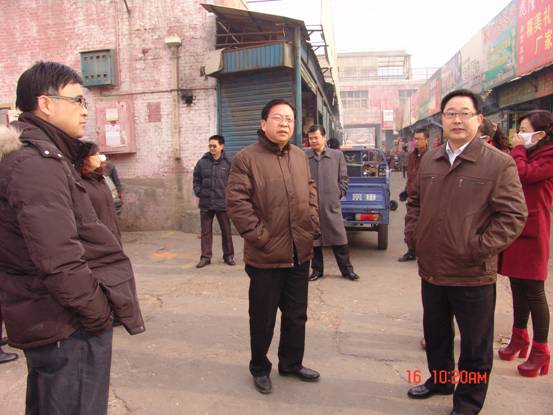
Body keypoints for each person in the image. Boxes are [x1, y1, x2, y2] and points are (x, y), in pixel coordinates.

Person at [0, 61, 145, 415]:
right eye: (77, 100)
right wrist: (96, 312)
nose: (84, 110)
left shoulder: (45, 157)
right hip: (65, 324)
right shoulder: (36, 163)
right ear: (45, 103)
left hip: (54, 318)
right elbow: (58, 258)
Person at [404, 89, 527, 415]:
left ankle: (468, 403)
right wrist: (414, 237)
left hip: (472, 273)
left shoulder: (498, 164)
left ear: (478, 119)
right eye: (450, 114)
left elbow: (513, 216)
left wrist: (478, 248)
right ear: (442, 120)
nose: (457, 120)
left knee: (474, 345)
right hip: (432, 268)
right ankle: (440, 381)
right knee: (436, 334)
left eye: (464, 113)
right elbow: (414, 202)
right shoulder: (430, 159)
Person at [226, 98, 320, 395]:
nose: (284, 124)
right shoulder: (246, 158)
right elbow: (237, 202)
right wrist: (259, 236)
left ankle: (291, 364)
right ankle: (259, 368)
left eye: (289, 119)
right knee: (263, 318)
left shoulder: (300, 156)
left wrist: (312, 222)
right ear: (263, 123)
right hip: (265, 256)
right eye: (278, 118)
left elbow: (310, 190)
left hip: (299, 252)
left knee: (296, 315)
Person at [498, 110, 553, 377]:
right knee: (517, 287)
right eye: (518, 129)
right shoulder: (528, 153)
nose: (519, 134)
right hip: (515, 228)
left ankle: (541, 350)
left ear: (540, 134)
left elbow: (523, 174)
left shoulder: (549, 156)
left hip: (534, 231)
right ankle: (519, 337)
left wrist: (518, 149)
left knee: (534, 291)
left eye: (524, 129)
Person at [306, 124, 359, 281]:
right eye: (310, 138)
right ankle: (317, 270)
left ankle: (347, 270)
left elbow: (344, 179)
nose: (313, 141)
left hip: (331, 205)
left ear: (324, 137)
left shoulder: (337, 155)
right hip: (312, 206)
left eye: (316, 138)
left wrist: (338, 194)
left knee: (339, 238)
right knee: (314, 241)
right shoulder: (304, 156)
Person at [193, 134, 235, 268]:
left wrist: (229, 196)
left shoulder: (229, 163)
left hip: (222, 203)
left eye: (214, 146)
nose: (211, 148)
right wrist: (199, 191)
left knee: (226, 231)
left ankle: (228, 256)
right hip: (206, 203)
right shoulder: (202, 162)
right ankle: (205, 257)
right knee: (205, 232)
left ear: (222, 146)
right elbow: (196, 179)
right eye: (210, 146)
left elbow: (234, 182)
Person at [76, 142, 121, 241]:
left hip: (113, 234)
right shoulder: (78, 183)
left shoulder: (101, 179)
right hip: (97, 240)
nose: (99, 157)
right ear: (85, 158)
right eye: (95, 154)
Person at [398, 128, 429, 262]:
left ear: (426, 140)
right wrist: (406, 190)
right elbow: (411, 177)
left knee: (427, 227)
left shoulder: (432, 157)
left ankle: (427, 254)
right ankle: (411, 251)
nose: (416, 142)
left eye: (419, 139)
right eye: (415, 139)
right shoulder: (412, 156)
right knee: (410, 226)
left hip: (427, 198)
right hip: (413, 198)